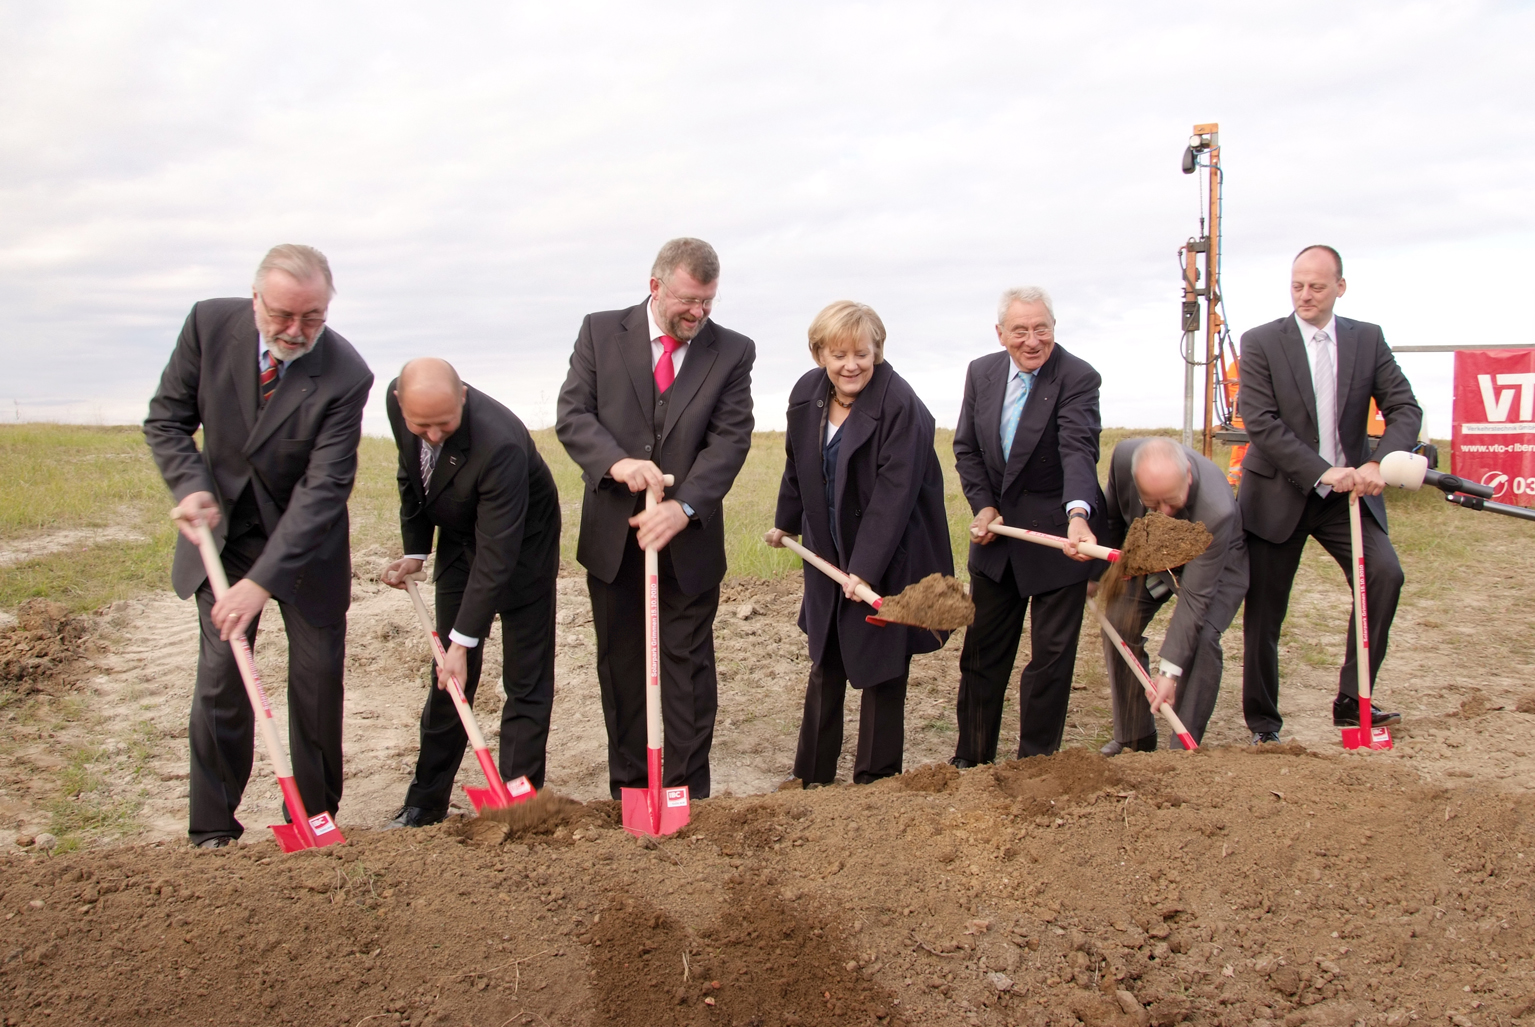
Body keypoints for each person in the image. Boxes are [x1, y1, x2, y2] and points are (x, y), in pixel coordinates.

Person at [144, 244, 373, 848]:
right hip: (224, 537)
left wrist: (262, 582)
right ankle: (214, 827)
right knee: (223, 678)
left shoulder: (347, 375)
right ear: (255, 301)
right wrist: (191, 487)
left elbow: (325, 489)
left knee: (317, 681)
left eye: (313, 318)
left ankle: (315, 817)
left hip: (305, 546)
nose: (296, 332)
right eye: (282, 316)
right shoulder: (208, 324)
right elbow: (166, 418)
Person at [555, 238, 754, 801]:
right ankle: (632, 790)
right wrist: (616, 463)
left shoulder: (733, 352)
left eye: (708, 302)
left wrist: (683, 507)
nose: (699, 313)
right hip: (614, 542)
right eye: (688, 301)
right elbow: (573, 414)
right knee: (621, 670)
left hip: (689, 546)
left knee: (686, 670)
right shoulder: (599, 332)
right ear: (656, 286)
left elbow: (730, 440)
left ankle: (685, 790)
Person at [1238, 245, 1422, 743]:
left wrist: (1381, 462)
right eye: (1297, 285)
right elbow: (1262, 423)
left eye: (1316, 286)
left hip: (1350, 498)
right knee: (1265, 612)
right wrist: (1323, 471)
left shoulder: (1367, 340)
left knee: (1385, 575)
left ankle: (1351, 700)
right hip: (1280, 492)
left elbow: (1404, 406)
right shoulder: (1260, 342)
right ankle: (1263, 723)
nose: (1305, 295)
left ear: (1340, 287)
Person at [766, 302, 954, 785]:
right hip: (829, 547)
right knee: (826, 657)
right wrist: (785, 524)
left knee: (882, 665)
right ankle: (812, 777)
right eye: (839, 354)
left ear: (878, 352)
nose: (852, 365)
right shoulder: (807, 395)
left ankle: (876, 781)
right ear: (819, 355)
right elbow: (799, 465)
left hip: (891, 553)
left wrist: (866, 568)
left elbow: (895, 497)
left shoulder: (901, 407)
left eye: (862, 354)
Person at [379, 359, 561, 827]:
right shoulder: (402, 409)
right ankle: (427, 799)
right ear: (401, 403)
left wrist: (464, 639)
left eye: (445, 424)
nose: (434, 435)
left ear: (462, 396)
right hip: (460, 542)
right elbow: (412, 477)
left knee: (526, 677)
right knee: (450, 678)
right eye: (422, 426)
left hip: (521, 548)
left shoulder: (499, 441)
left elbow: (498, 553)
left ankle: (518, 800)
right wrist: (417, 552)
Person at [951, 286, 1107, 764]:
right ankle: (972, 758)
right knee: (982, 657)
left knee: (1050, 663)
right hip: (997, 540)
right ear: (1001, 334)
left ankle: (1037, 763)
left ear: (1054, 329)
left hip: (1058, 539)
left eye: (1042, 328)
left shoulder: (1078, 377)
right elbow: (967, 450)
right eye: (1020, 330)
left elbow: (1078, 449)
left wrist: (1078, 515)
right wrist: (983, 506)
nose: (1032, 340)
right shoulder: (982, 372)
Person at [1095, 437, 1247, 754]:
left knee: (1203, 637)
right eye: (1153, 504)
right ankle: (1135, 736)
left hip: (1215, 560)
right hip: (1154, 550)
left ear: (1188, 475)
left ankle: (1182, 749)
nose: (1163, 511)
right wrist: (1098, 576)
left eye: (1171, 502)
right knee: (1119, 618)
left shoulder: (1216, 510)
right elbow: (1111, 518)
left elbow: (1195, 598)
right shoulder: (1124, 459)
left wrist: (1168, 672)